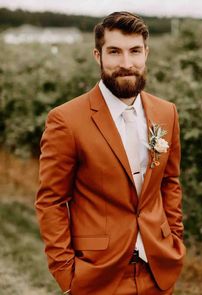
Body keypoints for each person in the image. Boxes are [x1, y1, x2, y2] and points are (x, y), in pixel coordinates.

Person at [35, 11, 186, 295]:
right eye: (114, 52)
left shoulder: (167, 113)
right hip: (97, 276)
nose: (126, 63)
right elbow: (51, 201)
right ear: (98, 55)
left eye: (135, 51)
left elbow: (169, 182)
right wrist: (65, 273)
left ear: (146, 53)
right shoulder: (66, 120)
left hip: (158, 271)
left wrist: (174, 239)